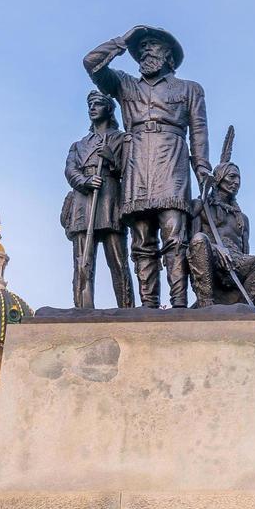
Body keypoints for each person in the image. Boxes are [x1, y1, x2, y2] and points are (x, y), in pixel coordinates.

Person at [83, 26, 210, 308]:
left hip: (172, 158)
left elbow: (199, 131)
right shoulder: (125, 85)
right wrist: (122, 41)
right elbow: (91, 63)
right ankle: (148, 306)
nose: (144, 51)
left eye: (152, 46)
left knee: (174, 235)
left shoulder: (189, 89)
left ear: (169, 56)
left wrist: (202, 167)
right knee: (141, 240)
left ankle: (179, 303)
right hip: (136, 160)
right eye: (140, 48)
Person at [61, 91, 132, 308]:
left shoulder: (121, 138)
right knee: (82, 261)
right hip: (84, 201)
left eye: (98, 104)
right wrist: (84, 181)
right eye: (90, 104)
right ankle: (82, 308)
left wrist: (112, 159)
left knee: (118, 261)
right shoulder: (79, 145)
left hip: (110, 197)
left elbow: (130, 170)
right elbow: (70, 170)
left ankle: (127, 308)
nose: (92, 108)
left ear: (108, 109)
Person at [188, 161, 255, 317]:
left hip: (236, 261)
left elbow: (245, 250)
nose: (236, 182)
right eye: (232, 177)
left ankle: (242, 308)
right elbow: (192, 242)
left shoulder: (242, 218)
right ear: (219, 178)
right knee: (200, 239)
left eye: (239, 179)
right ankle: (206, 304)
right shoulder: (201, 206)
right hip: (211, 257)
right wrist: (216, 248)